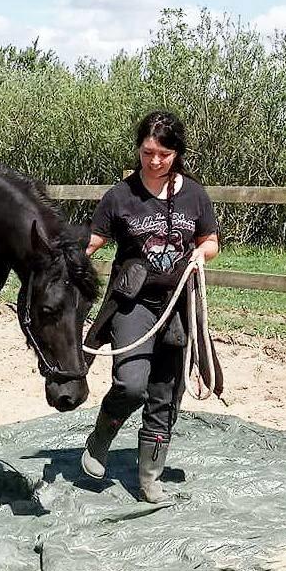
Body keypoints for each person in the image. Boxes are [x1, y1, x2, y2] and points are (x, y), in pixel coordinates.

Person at [82, 110, 219, 503]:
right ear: (139, 149)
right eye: (148, 152)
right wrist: (62, 260)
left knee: (165, 390)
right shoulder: (120, 196)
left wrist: (200, 254)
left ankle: (150, 475)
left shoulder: (194, 194)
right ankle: (102, 434)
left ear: (176, 152)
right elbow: (92, 242)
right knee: (131, 382)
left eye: (163, 153)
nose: (155, 161)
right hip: (133, 303)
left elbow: (210, 240)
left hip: (177, 305)